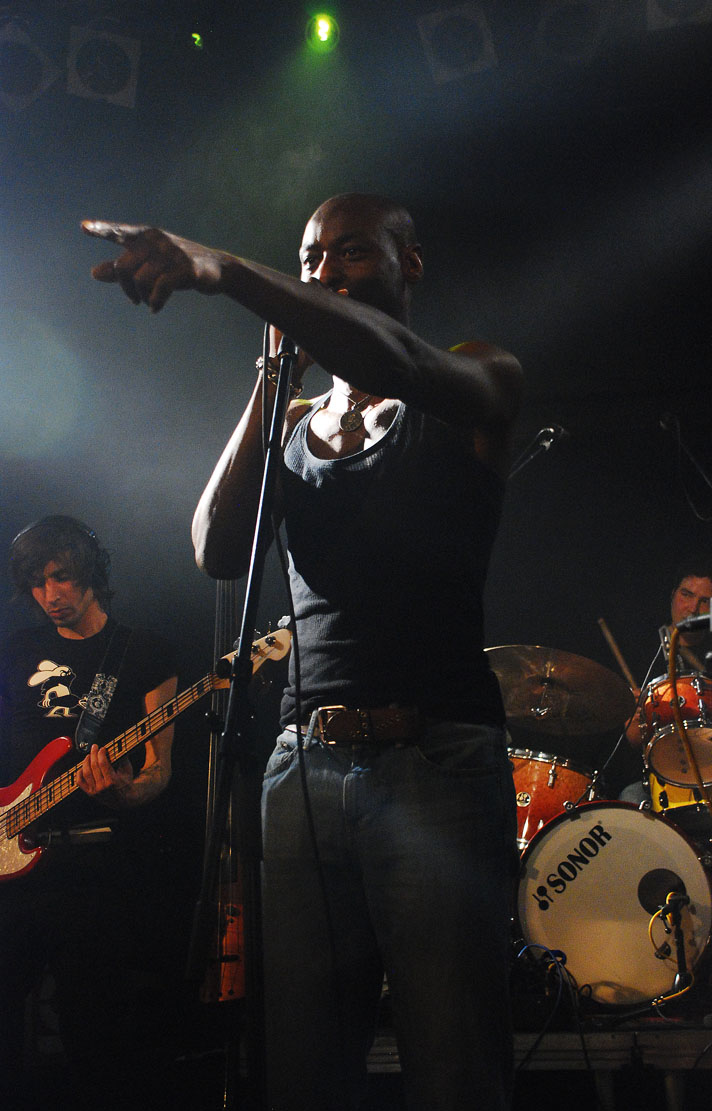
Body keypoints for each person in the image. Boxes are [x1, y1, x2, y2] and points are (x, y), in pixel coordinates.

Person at [82, 192, 523, 1111]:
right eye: (311, 259)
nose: (324, 273)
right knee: (303, 1068)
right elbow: (214, 547)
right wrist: (270, 380)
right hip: (302, 771)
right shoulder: (291, 425)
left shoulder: (477, 374)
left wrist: (231, 273)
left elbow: (396, 359)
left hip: (436, 761)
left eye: (351, 253)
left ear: (410, 262)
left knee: (453, 1065)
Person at [0, 515, 178, 1111]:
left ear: (91, 574)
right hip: (9, 861)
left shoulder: (144, 651)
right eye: (37, 583)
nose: (49, 594)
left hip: (93, 867)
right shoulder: (15, 649)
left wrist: (122, 792)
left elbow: (158, 771)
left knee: (94, 1033)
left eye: (61, 577)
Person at [618, 559, 712, 803]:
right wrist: (634, 718)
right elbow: (631, 737)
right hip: (658, 775)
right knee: (630, 797)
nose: (693, 608)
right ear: (673, 596)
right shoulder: (639, 650)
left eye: (705, 601)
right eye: (686, 595)